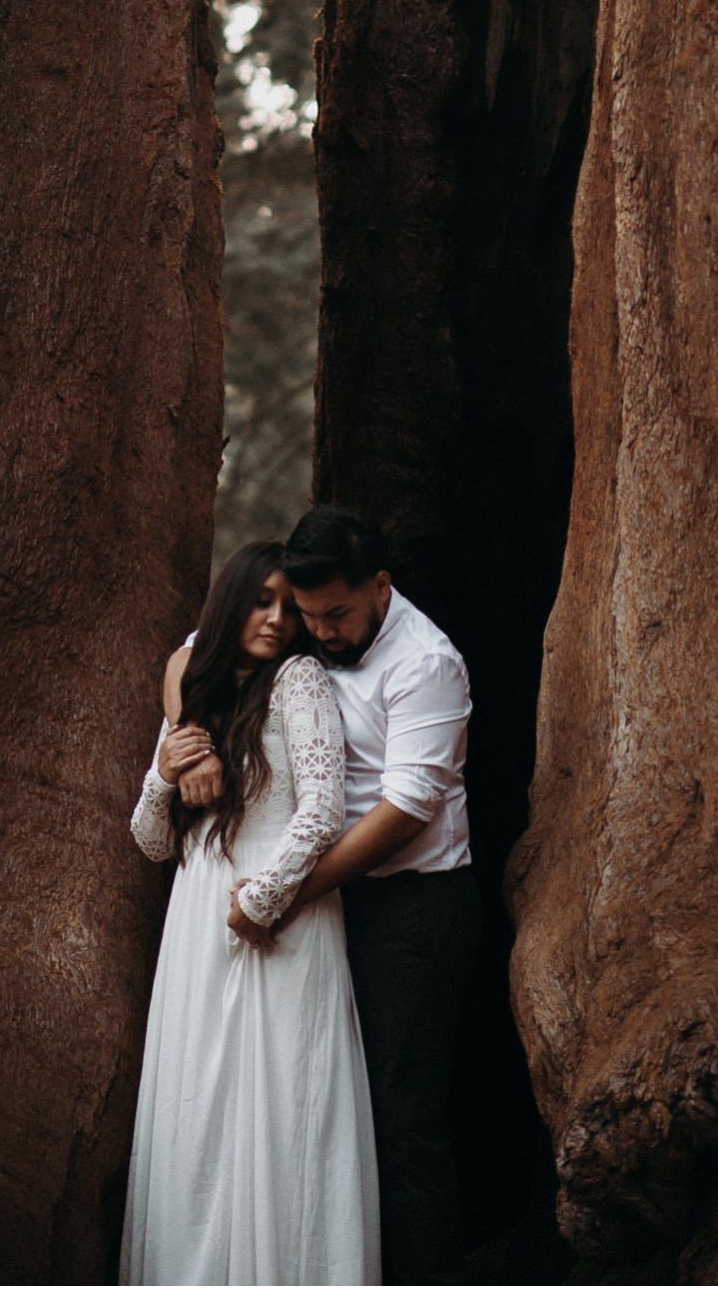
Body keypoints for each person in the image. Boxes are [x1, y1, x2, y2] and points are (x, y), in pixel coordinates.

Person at [120, 539, 380, 1286]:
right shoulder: (197, 691)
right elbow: (150, 841)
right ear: (231, 603)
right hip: (197, 917)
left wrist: (264, 900)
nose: (275, 618)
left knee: (285, 1101)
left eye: (286, 605)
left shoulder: (299, 679)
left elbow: (326, 808)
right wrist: (163, 778)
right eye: (260, 601)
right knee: (199, 1108)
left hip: (280, 917)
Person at [231, 506, 479, 1287]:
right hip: (333, 904)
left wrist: (287, 891)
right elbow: (197, 651)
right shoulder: (314, 622)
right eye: (309, 616)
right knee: (326, 1106)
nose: (321, 631)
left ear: (380, 585)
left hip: (413, 909)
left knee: (402, 1123)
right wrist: (181, 731)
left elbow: (405, 813)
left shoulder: (426, 662)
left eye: (335, 614)